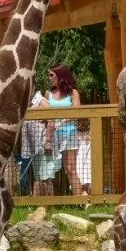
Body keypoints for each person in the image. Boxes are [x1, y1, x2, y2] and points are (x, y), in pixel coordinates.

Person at [44, 63, 84, 196]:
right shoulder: (48, 94)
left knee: (70, 169)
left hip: (70, 134)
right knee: (49, 170)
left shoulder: (73, 93)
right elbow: (43, 114)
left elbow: (78, 113)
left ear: (60, 76)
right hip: (52, 137)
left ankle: (80, 200)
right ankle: (48, 202)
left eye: (51, 75)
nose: (49, 78)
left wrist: (60, 122)